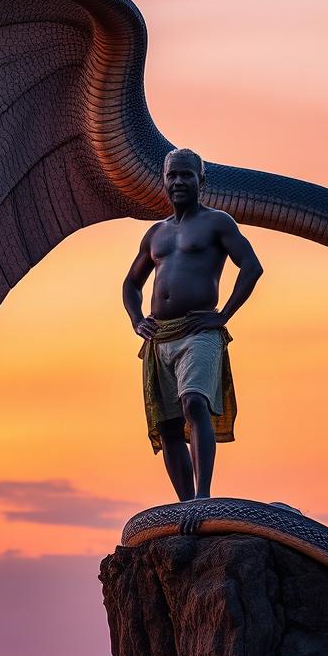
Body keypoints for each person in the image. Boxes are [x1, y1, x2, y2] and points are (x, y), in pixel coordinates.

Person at [122, 147, 263, 503]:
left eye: (187, 175)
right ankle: (186, 506)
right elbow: (130, 284)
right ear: (164, 181)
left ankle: (203, 496)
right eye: (173, 175)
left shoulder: (217, 222)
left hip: (199, 330)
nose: (179, 181)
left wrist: (224, 314)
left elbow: (251, 266)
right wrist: (137, 320)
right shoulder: (156, 234)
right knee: (168, 423)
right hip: (160, 337)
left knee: (194, 403)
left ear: (201, 180)